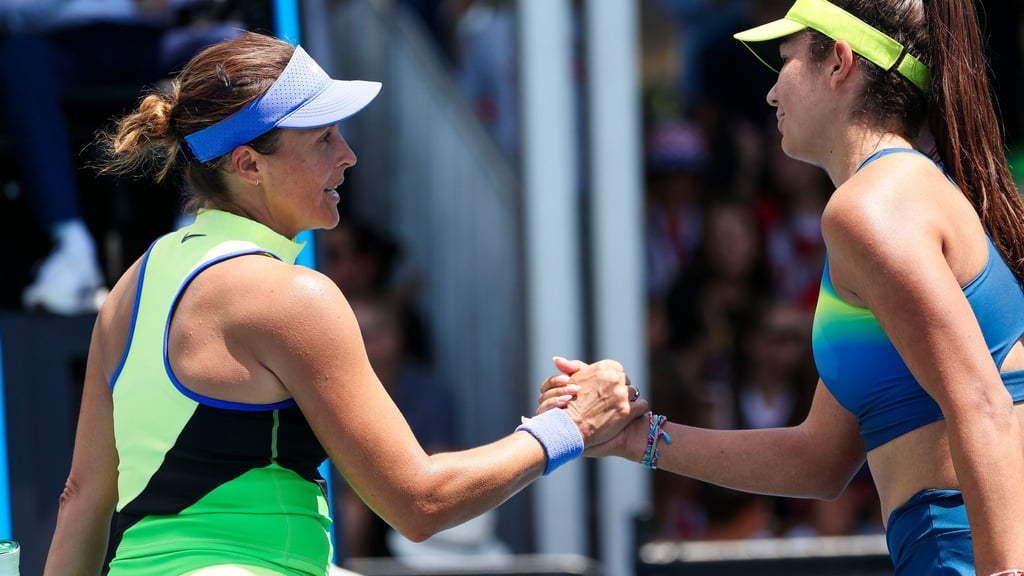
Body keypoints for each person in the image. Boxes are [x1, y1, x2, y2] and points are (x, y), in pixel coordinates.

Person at [42, 31, 648, 575]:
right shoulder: (292, 297)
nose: (348, 155)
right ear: (248, 163)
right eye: (324, 137)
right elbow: (420, 503)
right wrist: (569, 427)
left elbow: (80, 499)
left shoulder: (127, 290)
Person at [542, 1, 1024, 574]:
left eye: (785, 62)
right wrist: (637, 439)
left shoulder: (868, 208)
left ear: (839, 63)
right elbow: (819, 461)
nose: (770, 93)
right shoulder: (897, 193)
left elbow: (982, 405)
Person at [0, 0, 244, 314]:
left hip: (154, 39)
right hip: (57, 42)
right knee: (19, 62)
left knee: (230, 48)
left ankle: (194, 237)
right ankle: (70, 249)